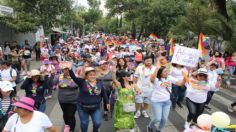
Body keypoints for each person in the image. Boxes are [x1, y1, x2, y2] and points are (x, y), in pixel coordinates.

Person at [69, 66, 109, 132]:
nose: (92, 76)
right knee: (84, 124)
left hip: (96, 107)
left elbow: (103, 93)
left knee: (97, 123)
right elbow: (74, 77)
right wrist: (70, 69)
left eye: (93, 75)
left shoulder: (99, 82)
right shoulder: (82, 82)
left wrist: (107, 102)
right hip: (82, 107)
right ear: (86, 76)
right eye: (90, 75)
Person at [147, 66, 183, 132]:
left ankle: (159, 130)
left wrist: (186, 78)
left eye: (167, 71)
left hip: (167, 102)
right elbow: (152, 79)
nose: (167, 72)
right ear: (160, 73)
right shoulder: (156, 79)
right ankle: (150, 126)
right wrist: (157, 68)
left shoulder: (169, 77)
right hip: (156, 102)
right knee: (157, 118)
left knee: (164, 119)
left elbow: (180, 83)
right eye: (165, 71)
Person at [56, 62, 78, 132]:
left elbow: (75, 85)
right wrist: (54, 77)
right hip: (62, 100)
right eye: (65, 69)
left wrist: (66, 84)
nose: (67, 71)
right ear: (63, 70)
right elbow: (52, 83)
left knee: (71, 115)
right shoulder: (60, 76)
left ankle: (72, 129)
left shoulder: (75, 77)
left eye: (68, 69)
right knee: (65, 114)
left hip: (73, 100)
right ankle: (67, 125)